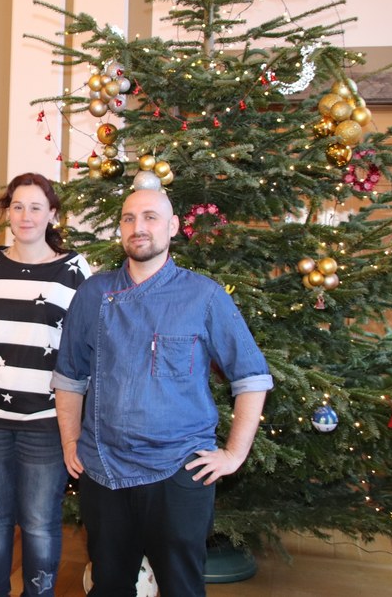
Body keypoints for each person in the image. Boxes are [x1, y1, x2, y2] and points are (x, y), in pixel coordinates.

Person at [52, 188, 273, 597]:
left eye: (151, 217)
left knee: (182, 588)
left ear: (172, 227)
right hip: (103, 469)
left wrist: (235, 453)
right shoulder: (93, 294)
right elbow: (68, 377)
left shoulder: (204, 296)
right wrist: (69, 438)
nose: (139, 228)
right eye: (129, 218)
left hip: (179, 471)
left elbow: (252, 377)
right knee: (110, 586)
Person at [0, 172, 92, 597]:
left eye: (36, 207)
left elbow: (81, 348)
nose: (25, 215)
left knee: (39, 524)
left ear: (52, 213)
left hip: (46, 421)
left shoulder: (74, 269)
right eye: (17, 206)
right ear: (7, 212)